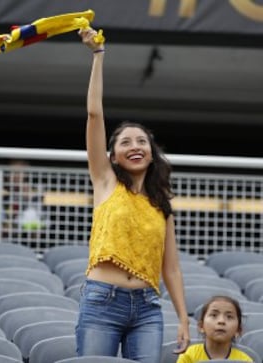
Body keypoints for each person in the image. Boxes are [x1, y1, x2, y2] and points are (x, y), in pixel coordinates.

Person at [75, 28, 190, 362]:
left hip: (148, 308)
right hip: (102, 301)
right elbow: (94, 115)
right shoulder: (105, 181)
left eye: (142, 142)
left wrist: (183, 318)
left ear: (152, 153)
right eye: (125, 142)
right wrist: (98, 56)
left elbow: (172, 269)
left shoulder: (161, 205)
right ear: (112, 156)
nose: (135, 146)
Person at [176, 295, 253, 362]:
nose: (221, 321)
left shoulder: (244, 361)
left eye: (229, 317)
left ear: (238, 330)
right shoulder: (189, 356)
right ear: (201, 326)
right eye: (214, 315)